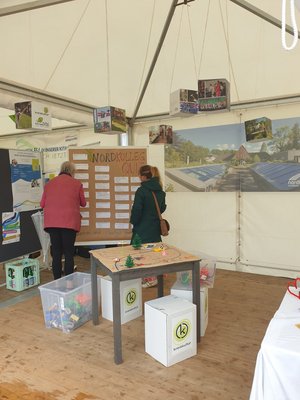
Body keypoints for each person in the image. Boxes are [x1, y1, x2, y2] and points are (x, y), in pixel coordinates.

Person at [40, 161, 86, 280]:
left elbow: (42, 204)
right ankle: (68, 281)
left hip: (52, 223)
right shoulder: (77, 184)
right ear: (72, 172)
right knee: (69, 253)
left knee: (56, 254)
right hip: (69, 222)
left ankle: (56, 281)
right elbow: (83, 203)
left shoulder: (49, 184)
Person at [130, 165, 167, 287]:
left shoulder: (141, 191)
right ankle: (153, 277)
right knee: (153, 253)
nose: (138, 177)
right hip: (154, 229)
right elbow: (161, 209)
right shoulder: (161, 192)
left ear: (144, 176)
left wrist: (134, 221)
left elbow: (137, 210)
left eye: (139, 175)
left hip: (142, 229)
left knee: (139, 253)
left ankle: (147, 279)